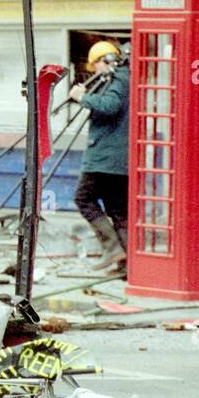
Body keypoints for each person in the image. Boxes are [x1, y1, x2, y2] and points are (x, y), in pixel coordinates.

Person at [69, 40, 129, 272]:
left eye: (96, 66)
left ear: (107, 61)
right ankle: (125, 264)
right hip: (118, 160)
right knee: (118, 211)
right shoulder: (122, 78)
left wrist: (83, 97)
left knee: (83, 199)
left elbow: (109, 105)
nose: (95, 71)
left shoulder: (119, 79)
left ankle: (113, 248)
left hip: (104, 159)